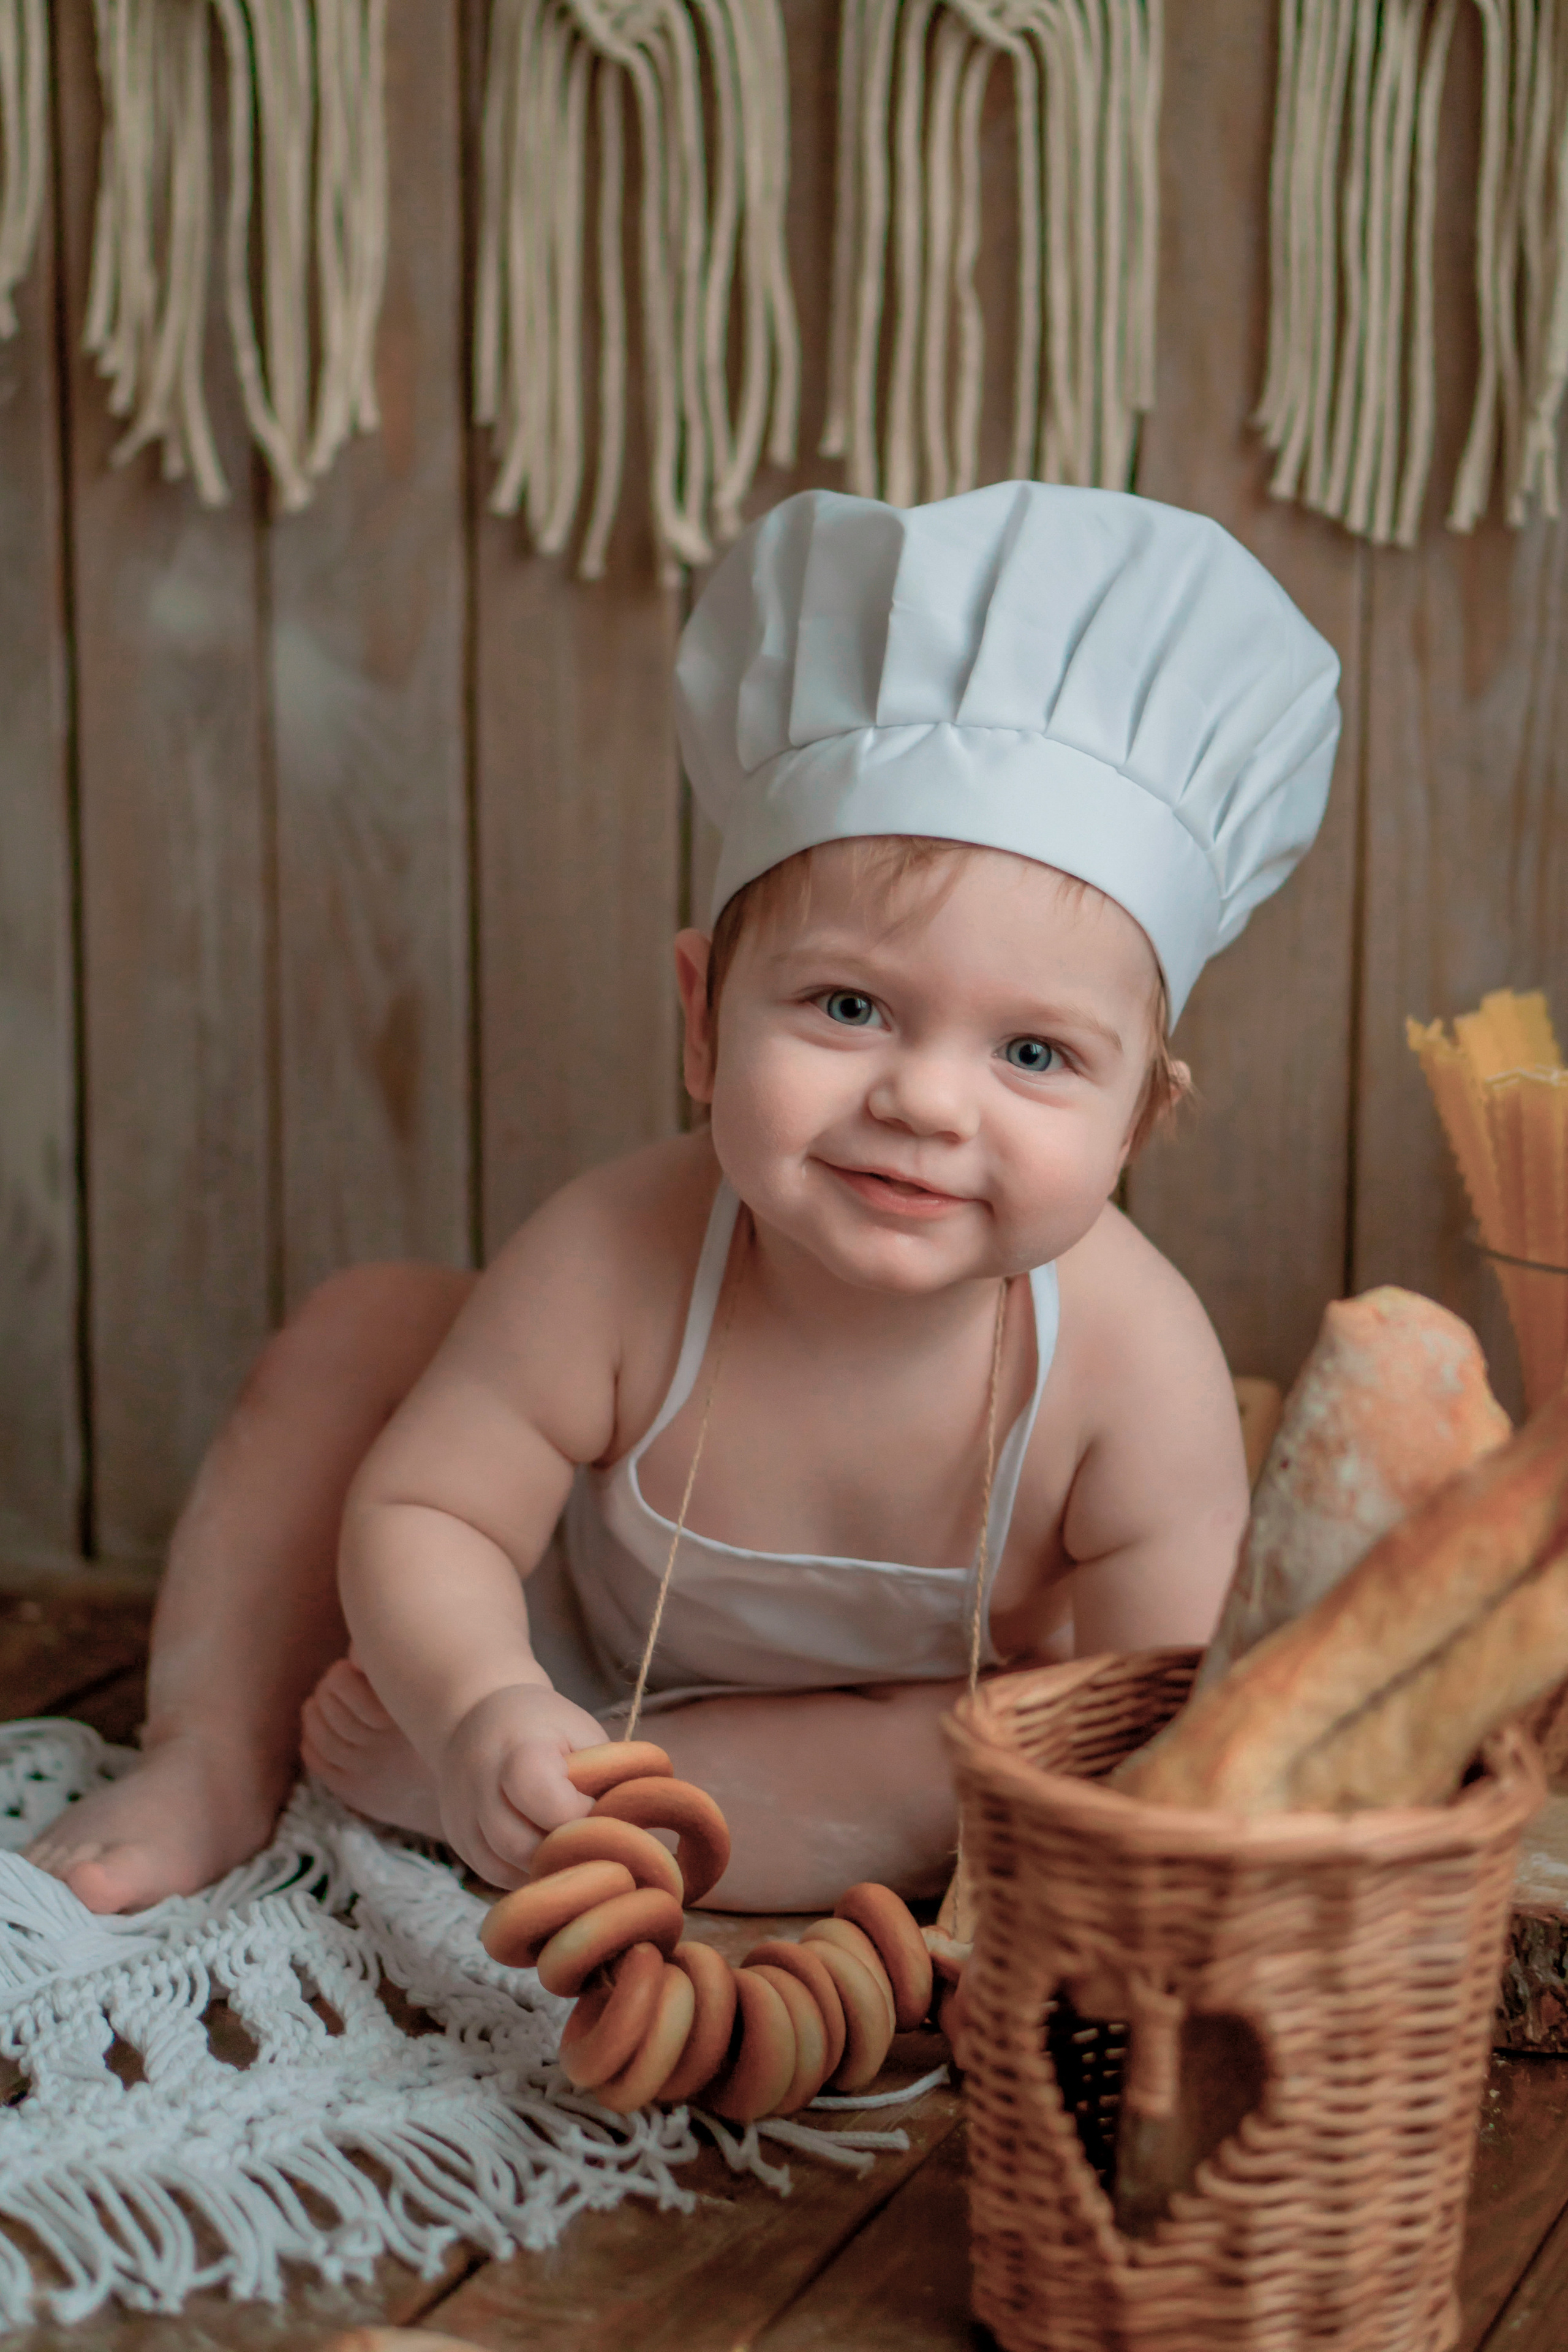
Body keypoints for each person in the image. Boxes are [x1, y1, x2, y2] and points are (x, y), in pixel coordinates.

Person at [27, 481, 1341, 1917]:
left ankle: (597, 1812)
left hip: (879, 1734)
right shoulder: (616, 1255)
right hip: (555, 1642)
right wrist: (475, 1699)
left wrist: (1127, 1838)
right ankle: (217, 1754)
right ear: (703, 1021)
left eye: (1032, 1053)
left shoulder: (1130, 1359)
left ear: (1137, 1120)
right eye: (848, 1006)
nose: (924, 1101)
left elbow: (1159, 1722)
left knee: (984, 1764)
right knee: (368, 1325)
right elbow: (432, 1510)